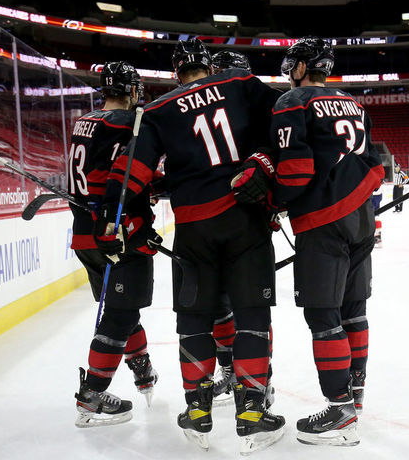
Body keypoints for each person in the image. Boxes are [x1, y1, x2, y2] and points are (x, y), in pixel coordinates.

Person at [98, 38, 285, 454]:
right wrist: (266, 164)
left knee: (195, 319)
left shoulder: (158, 109)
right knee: (251, 314)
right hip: (245, 222)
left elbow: (130, 171)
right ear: (209, 65)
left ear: (175, 72)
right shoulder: (240, 83)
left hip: (194, 230)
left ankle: (198, 411)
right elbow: (285, 123)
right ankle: (252, 411)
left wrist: (113, 219)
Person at [254, 36, 384, 445]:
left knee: (323, 314)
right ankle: (355, 396)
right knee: (354, 309)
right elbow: (374, 162)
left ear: (302, 66)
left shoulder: (293, 102)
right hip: (363, 217)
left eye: (291, 64)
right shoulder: (353, 103)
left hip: (323, 219)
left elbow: (294, 168)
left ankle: (340, 409)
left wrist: (273, 202)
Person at [70, 61, 160, 427]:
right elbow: (123, 179)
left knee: (122, 308)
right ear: (133, 91)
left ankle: (141, 370)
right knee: (120, 314)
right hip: (118, 235)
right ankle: (91, 396)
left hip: (83, 235)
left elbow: (99, 172)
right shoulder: (126, 124)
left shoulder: (84, 121)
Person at [208, 49, 276, 408]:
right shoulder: (260, 98)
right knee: (237, 308)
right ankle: (241, 378)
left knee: (244, 307)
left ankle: (258, 380)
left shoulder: (258, 101)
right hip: (228, 221)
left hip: (241, 220)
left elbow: (279, 149)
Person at [371, 180, 384, 247]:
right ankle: (377, 236)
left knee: (374, 217)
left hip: (374, 195)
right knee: (375, 216)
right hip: (376, 194)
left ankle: (377, 237)